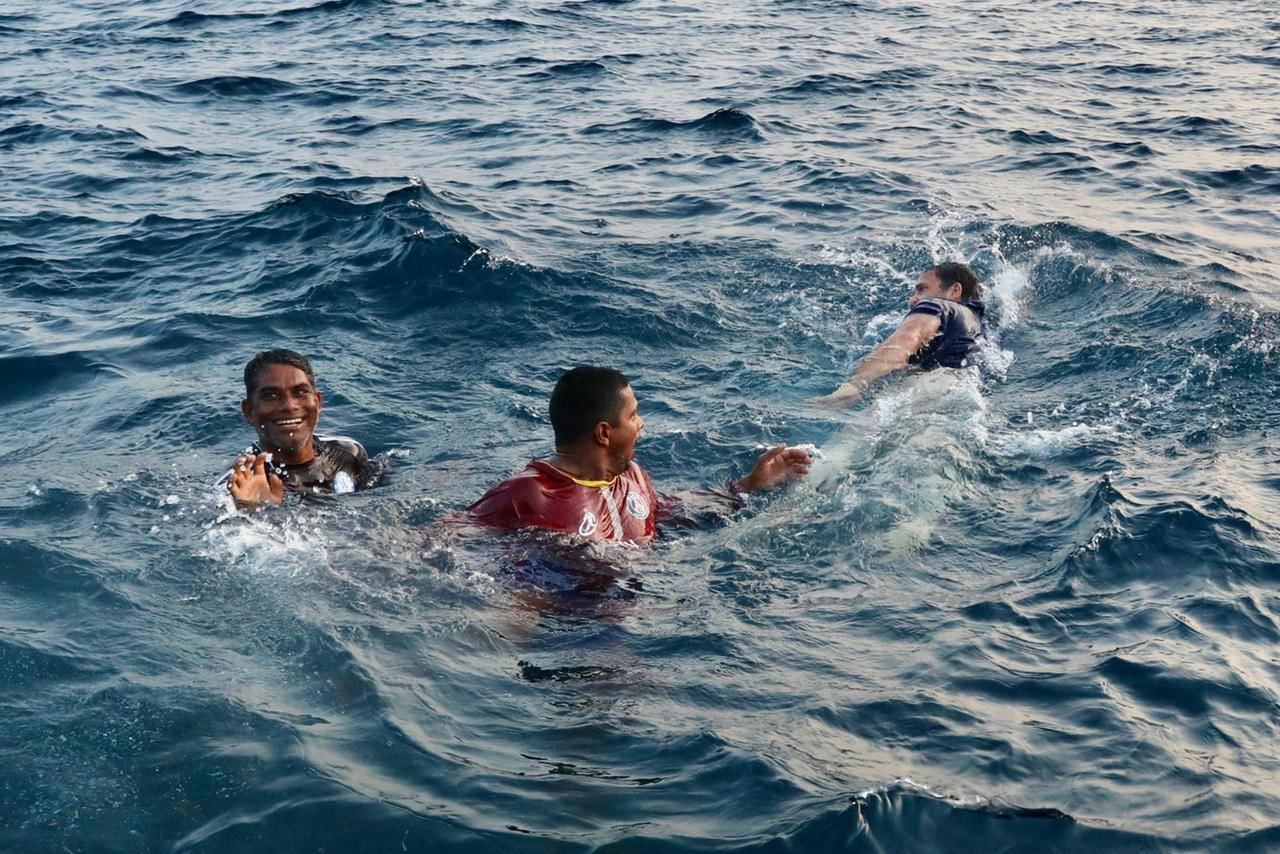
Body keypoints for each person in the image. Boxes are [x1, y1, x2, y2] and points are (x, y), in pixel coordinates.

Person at [468, 366, 811, 547]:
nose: (641, 424)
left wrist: (749, 486)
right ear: (604, 433)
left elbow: (668, 513)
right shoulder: (528, 494)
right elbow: (451, 536)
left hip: (639, 610)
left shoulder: (633, 476)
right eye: (632, 416)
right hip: (570, 627)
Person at [220, 349, 380, 509]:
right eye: (271, 396)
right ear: (249, 411)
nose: (289, 406)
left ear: (317, 403)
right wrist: (252, 510)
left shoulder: (348, 454)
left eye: (301, 392)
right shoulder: (235, 485)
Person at [812, 261, 985, 407]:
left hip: (926, 390)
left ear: (954, 291)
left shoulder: (939, 305)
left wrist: (857, 385)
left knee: (843, 446)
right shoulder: (974, 327)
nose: (913, 300)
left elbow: (909, 336)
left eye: (922, 289)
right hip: (962, 397)